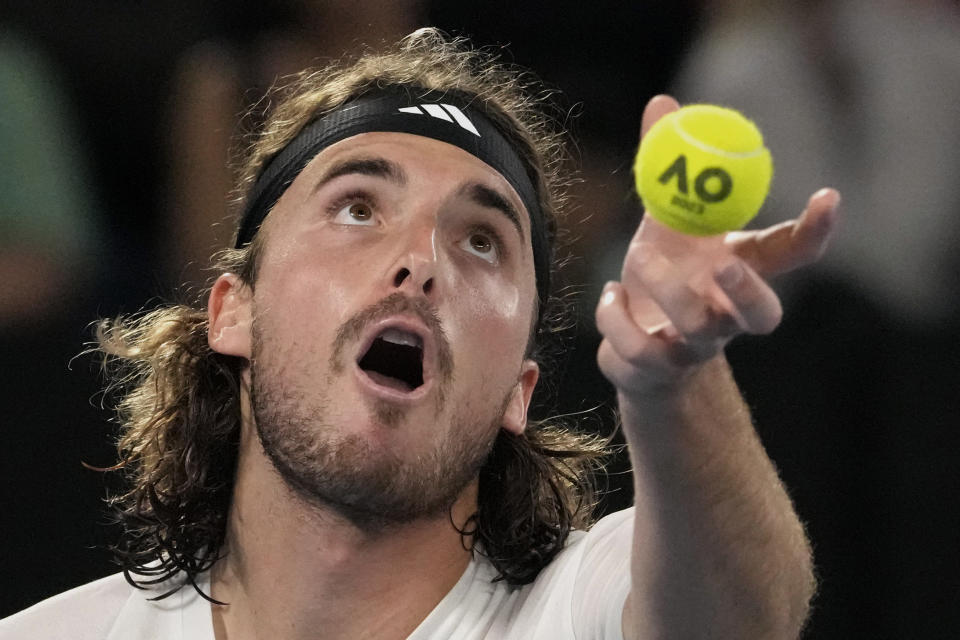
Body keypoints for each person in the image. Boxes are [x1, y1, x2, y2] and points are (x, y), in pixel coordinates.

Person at [0, 28, 839, 639]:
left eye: (482, 241)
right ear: (234, 311)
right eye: (358, 208)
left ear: (520, 391)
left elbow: (741, 619)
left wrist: (675, 380)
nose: (421, 262)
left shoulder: (583, 607)